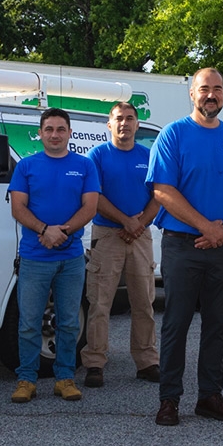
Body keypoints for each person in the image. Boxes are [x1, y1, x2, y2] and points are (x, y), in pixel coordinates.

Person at [147, 68, 223, 426]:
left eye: (218, 89)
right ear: (192, 94)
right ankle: (169, 399)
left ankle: (209, 396)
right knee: (176, 323)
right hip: (183, 245)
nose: (212, 95)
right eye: (205, 89)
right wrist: (205, 226)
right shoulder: (173, 134)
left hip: (222, 245)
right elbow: (162, 190)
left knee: (217, 324)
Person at [6, 108, 101, 403]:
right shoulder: (26, 167)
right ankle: (26, 379)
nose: (55, 135)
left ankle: (65, 378)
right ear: (41, 133)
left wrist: (63, 231)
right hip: (35, 257)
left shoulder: (84, 166)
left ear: (70, 133)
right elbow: (18, 207)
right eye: (49, 129)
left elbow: (90, 207)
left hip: (71, 257)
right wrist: (45, 230)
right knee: (29, 322)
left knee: (70, 322)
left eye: (61, 129)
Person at [82, 101, 161, 387]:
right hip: (107, 236)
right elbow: (95, 197)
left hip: (140, 237)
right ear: (109, 124)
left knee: (144, 302)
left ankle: (147, 361)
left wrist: (139, 223)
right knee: (99, 303)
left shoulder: (148, 156)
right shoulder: (98, 156)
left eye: (130, 118)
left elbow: (159, 195)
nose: (125, 123)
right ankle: (94, 363)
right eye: (119, 119)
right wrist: (125, 221)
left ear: (137, 125)